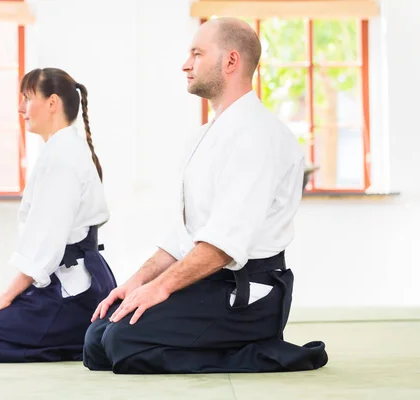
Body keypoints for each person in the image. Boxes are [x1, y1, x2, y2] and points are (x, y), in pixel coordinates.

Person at [82, 18, 328, 374]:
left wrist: (160, 290)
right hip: (205, 284)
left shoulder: (258, 136)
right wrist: (133, 286)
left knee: (122, 343)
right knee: (96, 339)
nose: (186, 64)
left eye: (197, 54)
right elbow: (181, 240)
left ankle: (263, 349)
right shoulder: (203, 138)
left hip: (246, 294)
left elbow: (222, 245)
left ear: (230, 61)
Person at [0, 67, 117, 363]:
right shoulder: (63, 150)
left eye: (27, 98)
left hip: (73, 295)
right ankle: (82, 336)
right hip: (78, 288)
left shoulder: (63, 157)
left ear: (52, 103)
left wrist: (6, 297)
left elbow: (47, 242)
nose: (20, 108)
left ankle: (81, 337)